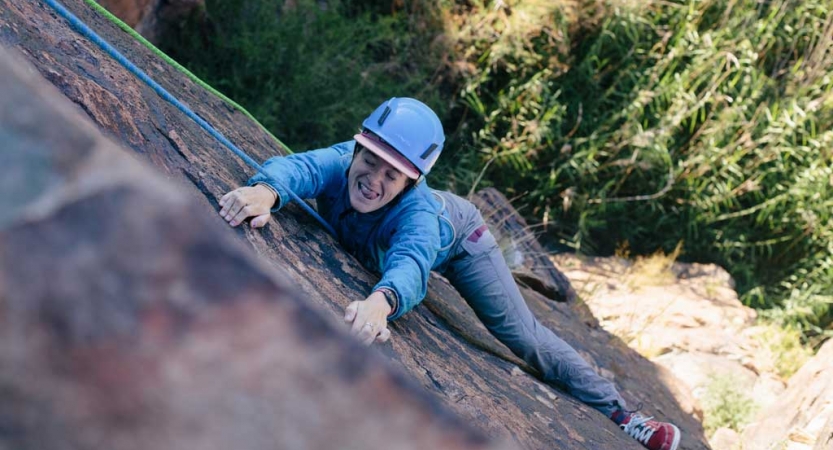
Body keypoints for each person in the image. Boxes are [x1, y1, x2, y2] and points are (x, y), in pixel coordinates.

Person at [218, 97, 682, 450]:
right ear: (357, 147)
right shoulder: (346, 160)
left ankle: (624, 414)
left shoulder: (419, 215)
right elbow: (297, 167)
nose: (373, 179)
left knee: (524, 336)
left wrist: (380, 304)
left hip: (462, 241)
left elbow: (413, 264)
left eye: (391, 176)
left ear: (412, 182)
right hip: (400, 237)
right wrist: (266, 191)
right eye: (369, 162)